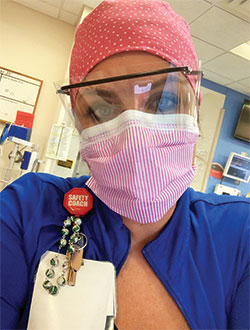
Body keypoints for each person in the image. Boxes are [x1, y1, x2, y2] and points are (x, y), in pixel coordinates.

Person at [0, 0, 249, 329]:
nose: (136, 135)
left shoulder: (241, 233)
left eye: (164, 101)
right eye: (103, 109)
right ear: (79, 121)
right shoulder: (26, 210)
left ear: (196, 109)